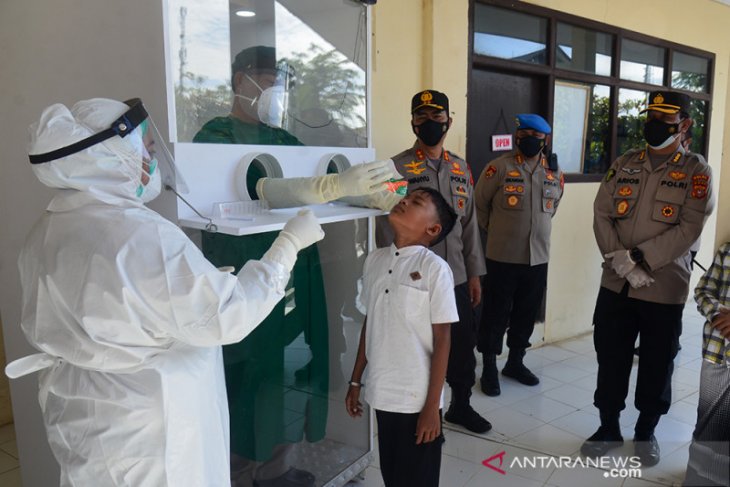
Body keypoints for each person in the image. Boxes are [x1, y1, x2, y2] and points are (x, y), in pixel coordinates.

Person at [5, 98, 324, 486]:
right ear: (111, 155)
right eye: (145, 150)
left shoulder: (48, 227)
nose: (151, 159)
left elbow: (119, 302)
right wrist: (288, 243)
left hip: (80, 411)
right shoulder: (137, 234)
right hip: (148, 427)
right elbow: (229, 316)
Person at [193, 45, 397, 487]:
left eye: (281, 82)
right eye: (266, 78)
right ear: (239, 81)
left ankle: (277, 467)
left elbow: (314, 188)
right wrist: (332, 185)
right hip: (242, 268)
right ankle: (240, 471)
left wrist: (367, 194)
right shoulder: (216, 135)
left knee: (298, 363)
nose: (275, 90)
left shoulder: (284, 139)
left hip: (296, 266)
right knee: (249, 370)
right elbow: (257, 188)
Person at [583, 91, 714, 466]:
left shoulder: (696, 171)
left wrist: (639, 258)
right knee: (610, 357)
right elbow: (601, 212)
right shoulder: (625, 163)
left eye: (665, 118)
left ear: (683, 124)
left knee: (657, 364)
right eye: (651, 116)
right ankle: (608, 426)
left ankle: (645, 432)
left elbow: (689, 227)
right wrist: (619, 261)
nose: (655, 124)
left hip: (663, 286)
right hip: (616, 282)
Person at [376, 89, 490, 434]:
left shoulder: (461, 167)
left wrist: (474, 274)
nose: (429, 123)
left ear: (448, 121)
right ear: (412, 122)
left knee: (459, 344)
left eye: (436, 116)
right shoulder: (395, 167)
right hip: (413, 277)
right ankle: (421, 410)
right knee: (417, 345)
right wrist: (393, 270)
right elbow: (386, 221)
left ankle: (460, 405)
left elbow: (469, 224)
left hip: (453, 274)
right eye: (421, 117)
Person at [346, 187, 459, 487]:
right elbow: (371, 323)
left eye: (416, 202)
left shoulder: (435, 269)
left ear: (432, 229)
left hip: (417, 400)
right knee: (393, 476)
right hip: (384, 393)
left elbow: (443, 339)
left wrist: (432, 408)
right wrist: (356, 379)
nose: (404, 201)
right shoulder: (375, 261)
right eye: (406, 197)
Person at [474, 114, 563, 397]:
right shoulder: (498, 168)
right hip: (502, 255)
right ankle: (489, 365)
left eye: (535, 137)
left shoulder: (553, 173)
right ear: (516, 136)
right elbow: (479, 205)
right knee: (495, 314)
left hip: (537, 257)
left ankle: (515, 362)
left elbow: (554, 206)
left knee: (526, 312)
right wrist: (497, 229)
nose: (528, 140)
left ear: (544, 141)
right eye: (523, 135)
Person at [683, 242, 730, 487]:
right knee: (708, 422)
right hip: (717, 354)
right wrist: (718, 313)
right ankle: (699, 479)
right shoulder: (727, 251)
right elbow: (702, 291)